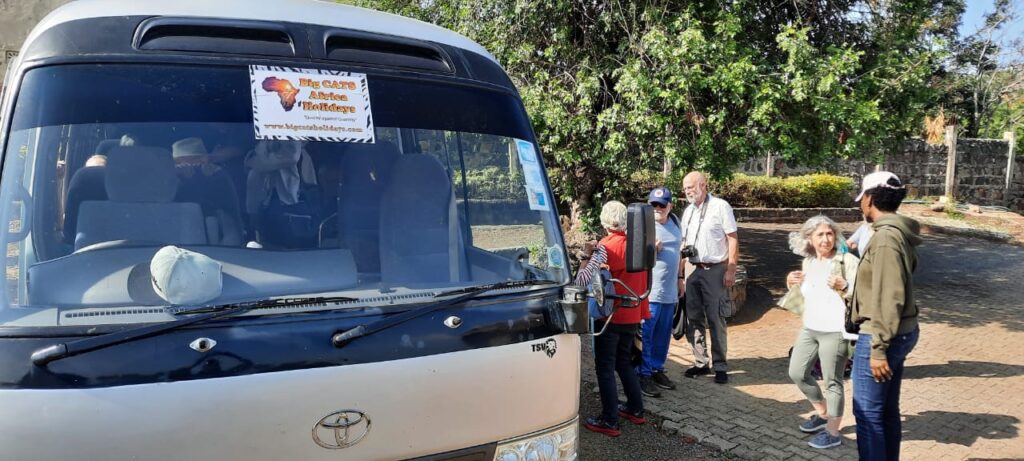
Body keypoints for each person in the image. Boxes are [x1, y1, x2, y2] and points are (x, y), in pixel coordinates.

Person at [849, 171, 921, 461]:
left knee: (868, 415)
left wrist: (878, 349)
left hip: (880, 335)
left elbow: (889, 296)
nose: (861, 206)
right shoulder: (895, 232)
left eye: (862, 200)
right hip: (898, 331)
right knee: (886, 412)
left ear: (869, 199)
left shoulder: (886, 239)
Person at [576, 200, 651, 437]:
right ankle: (635, 408)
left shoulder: (605, 247)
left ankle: (610, 420)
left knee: (605, 368)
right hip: (634, 312)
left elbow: (582, 280)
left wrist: (586, 257)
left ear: (605, 221)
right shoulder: (638, 245)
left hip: (611, 315)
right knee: (624, 363)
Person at [784, 215, 858, 450]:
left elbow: (862, 295)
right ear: (809, 239)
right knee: (797, 372)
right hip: (810, 327)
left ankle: (833, 432)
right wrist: (790, 282)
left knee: (832, 381)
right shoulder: (809, 262)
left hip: (835, 330)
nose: (826, 239)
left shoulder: (847, 261)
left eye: (829, 234)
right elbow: (807, 293)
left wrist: (845, 287)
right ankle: (823, 412)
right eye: (820, 235)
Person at [680, 171, 738, 384]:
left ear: (703, 185)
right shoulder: (688, 211)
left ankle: (720, 364)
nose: (687, 191)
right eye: (685, 188)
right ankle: (700, 362)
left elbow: (732, 238)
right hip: (693, 268)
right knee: (693, 317)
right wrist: (680, 274)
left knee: (716, 318)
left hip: (715, 268)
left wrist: (731, 269)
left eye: (691, 187)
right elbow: (683, 242)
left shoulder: (720, 206)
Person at [637, 187, 682, 398]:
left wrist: (681, 278)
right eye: (653, 205)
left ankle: (656, 369)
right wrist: (650, 252)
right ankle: (643, 374)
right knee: (646, 334)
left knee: (663, 335)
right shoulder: (645, 227)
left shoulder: (676, 223)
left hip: (670, 291)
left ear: (669, 205)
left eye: (661, 205)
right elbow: (635, 259)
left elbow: (680, 253)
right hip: (651, 291)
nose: (657, 209)